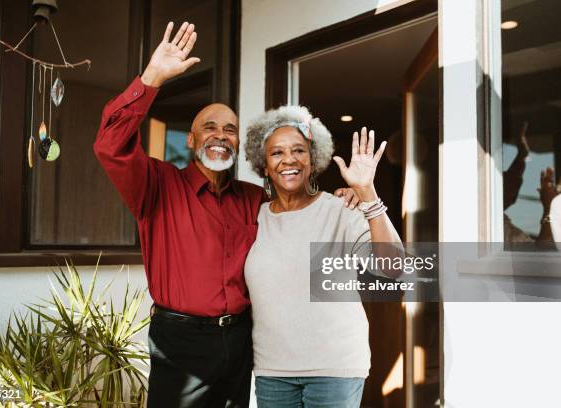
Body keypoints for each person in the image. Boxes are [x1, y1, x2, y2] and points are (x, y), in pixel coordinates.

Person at [94, 22, 359, 407]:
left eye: (230, 129)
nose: (221, 135)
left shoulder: (253, 198)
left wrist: (347, 195)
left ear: (239, 141)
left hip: (241, 341)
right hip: (180, 341)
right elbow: (110, 147)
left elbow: (295, 199)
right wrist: (151, 79)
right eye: (210, 127)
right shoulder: (156, 185)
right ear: (191, 138)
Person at [244, 105, 403, 407]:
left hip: (335, 369)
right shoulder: (252, 217)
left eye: (298, 151)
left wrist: (367, 193)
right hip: (272, 371)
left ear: (313, 159)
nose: (288, 159)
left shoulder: (341, 210)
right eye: (277, 153)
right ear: (264, 165)